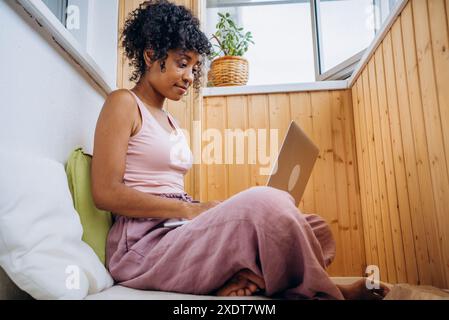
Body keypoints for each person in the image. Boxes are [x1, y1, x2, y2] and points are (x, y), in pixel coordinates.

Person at [91, 0, 389, 300]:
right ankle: (330, 291)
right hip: (143, 244)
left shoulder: (171, 121)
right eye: (183, 63)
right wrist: (190, 210)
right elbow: (105, 193)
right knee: (266, 206)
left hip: (178, 228)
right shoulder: (123, 104)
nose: (190, 77)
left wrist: (207, 209)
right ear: (151, 54)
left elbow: (175, 195)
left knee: (311, 227)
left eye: (195, 67)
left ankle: (242, 281)